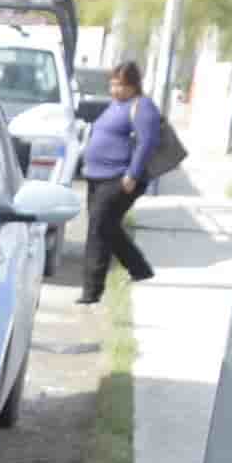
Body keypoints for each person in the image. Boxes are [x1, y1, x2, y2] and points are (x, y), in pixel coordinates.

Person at [75, 59, 161, 307]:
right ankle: (139, 268)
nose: (115, 90)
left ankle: (91, 292)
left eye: (121, 85)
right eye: (113, 85)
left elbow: (146, 143)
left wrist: (132, 174)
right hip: (97, 175)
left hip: (119, 178)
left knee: (99, 227)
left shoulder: (142, 107)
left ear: (134, 85)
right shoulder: (115, 105)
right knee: (105, 227)